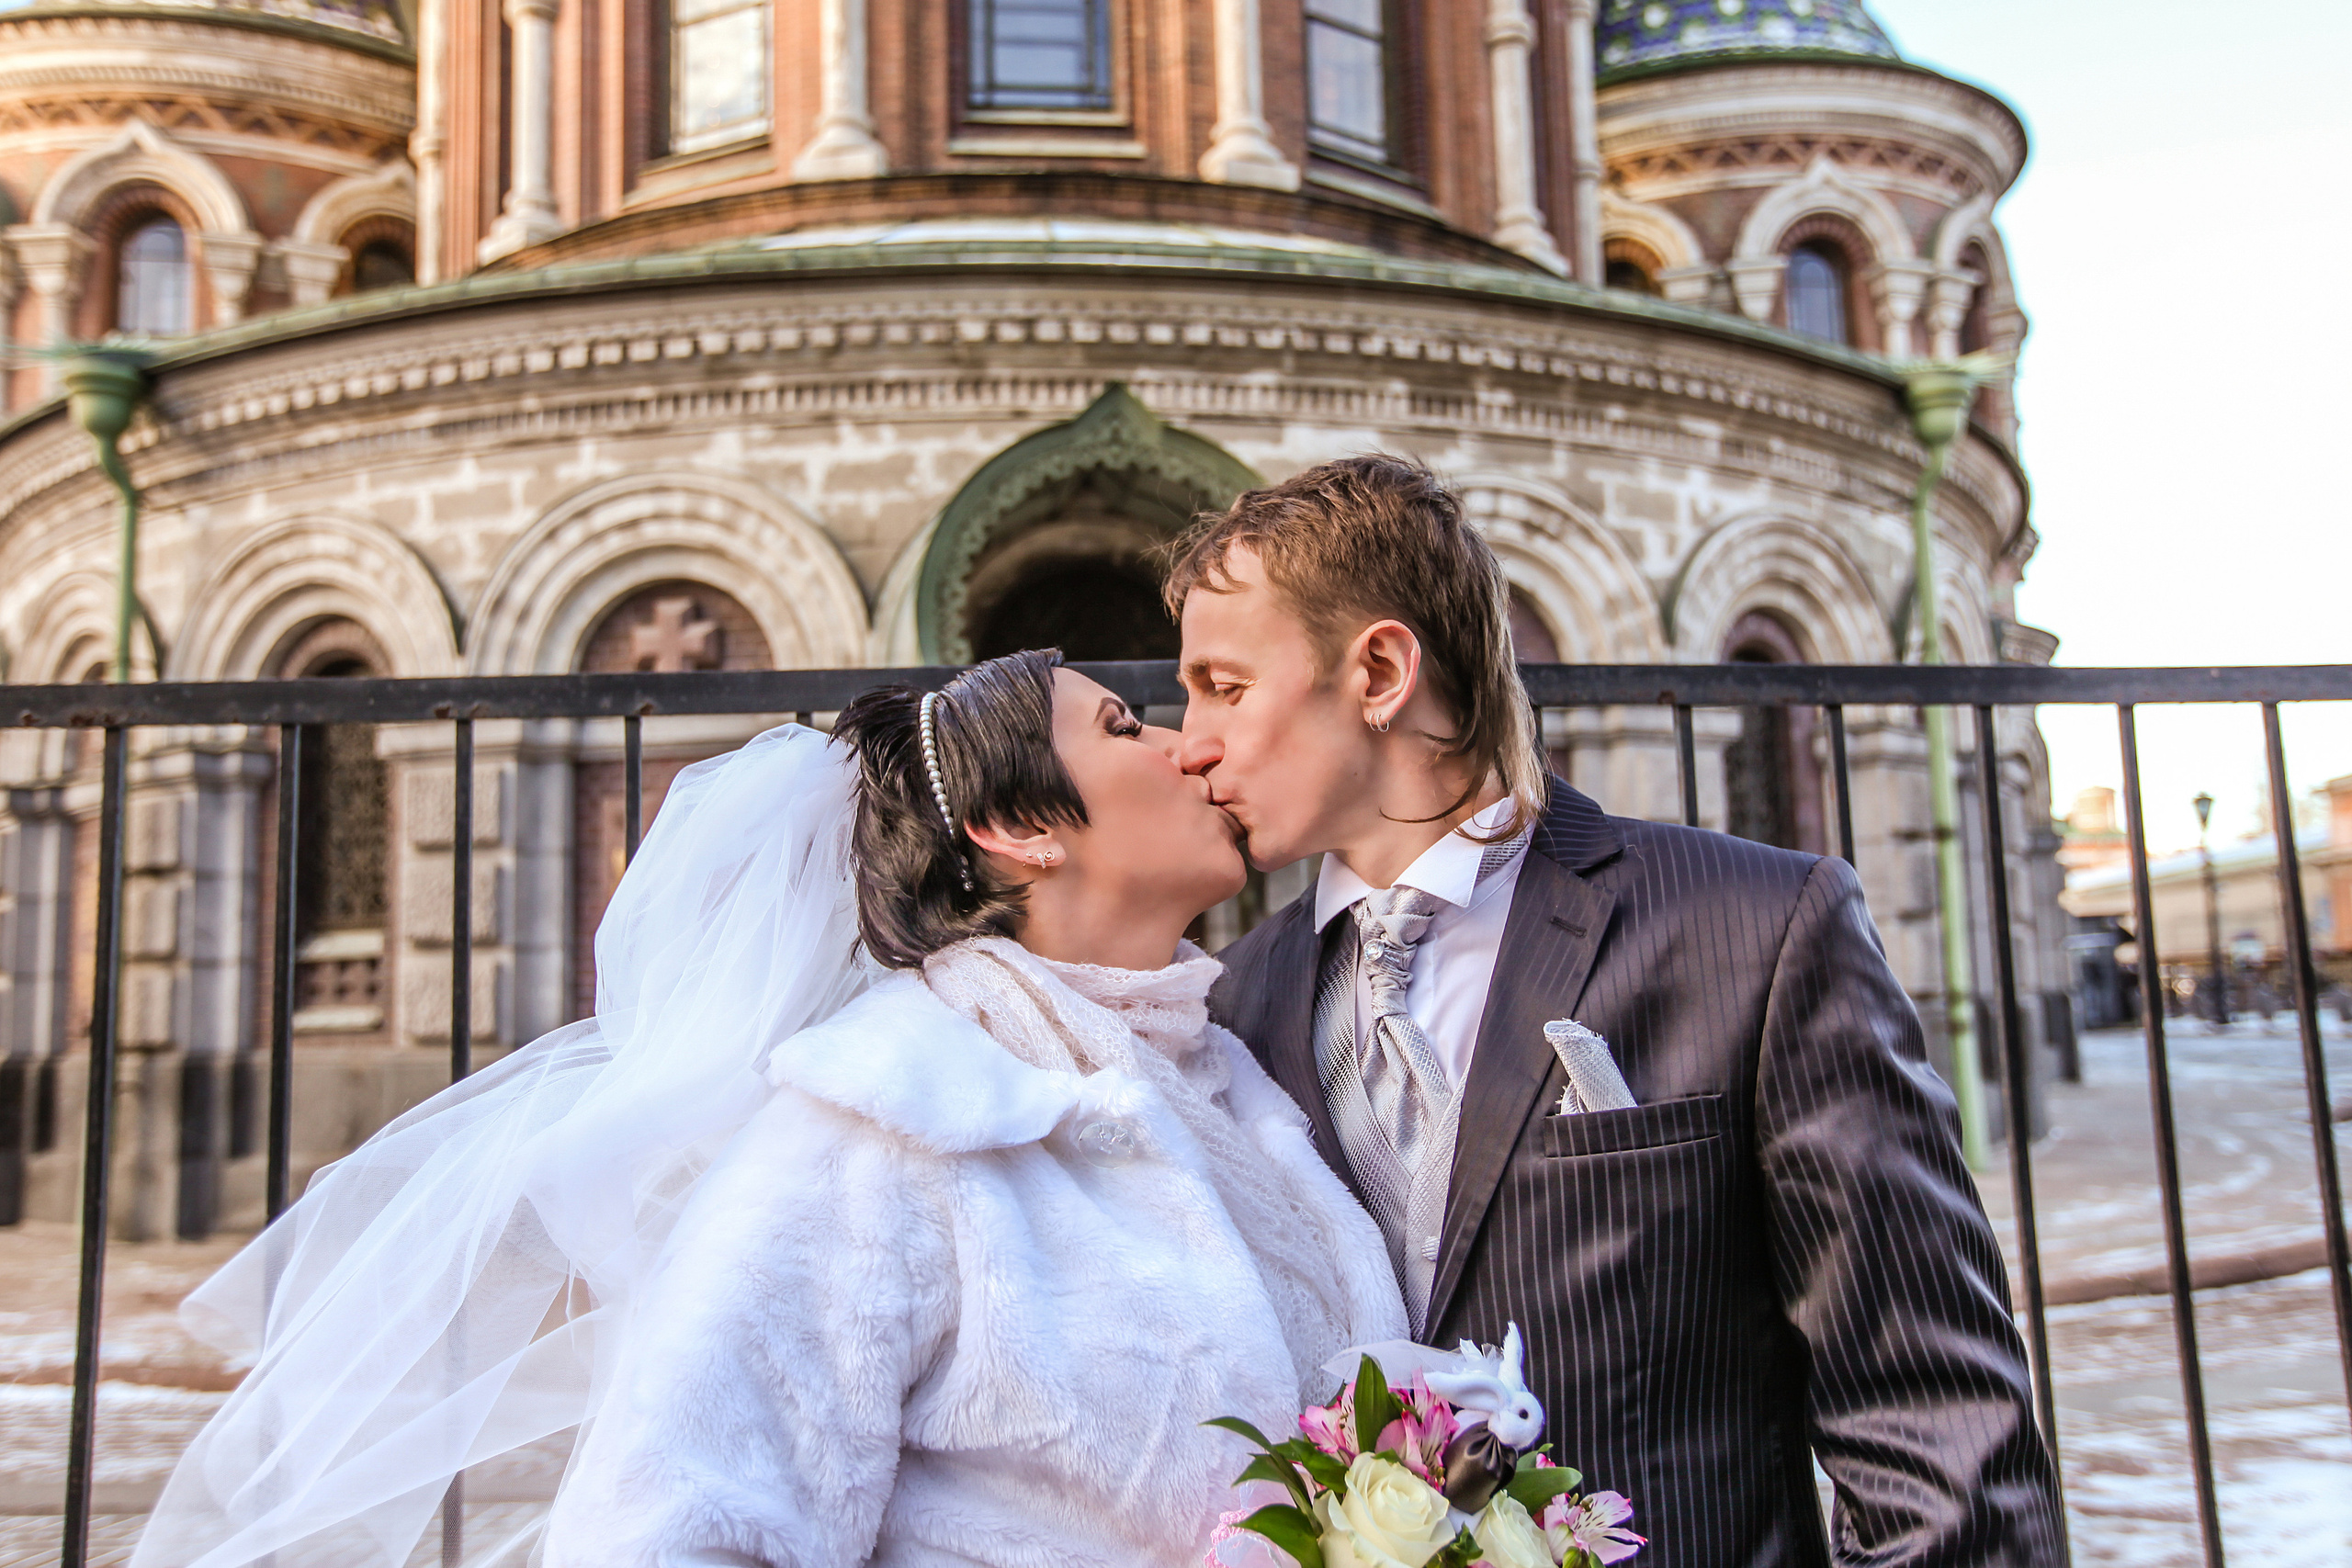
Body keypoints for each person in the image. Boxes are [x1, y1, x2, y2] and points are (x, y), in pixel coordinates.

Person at [134, 650, 1405, 1568]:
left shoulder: (1241, 1090)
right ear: (1018, 825)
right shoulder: (882, 1123)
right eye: (1128, 725)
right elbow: (671, 1522)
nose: (1189, 744)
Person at [1168, 457, 2066, 1568]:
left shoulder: (1751, 930)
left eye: (1224, 685)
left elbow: (1936, 1424)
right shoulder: (1234, 1002)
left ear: (1382, 670)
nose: (1188, 741)